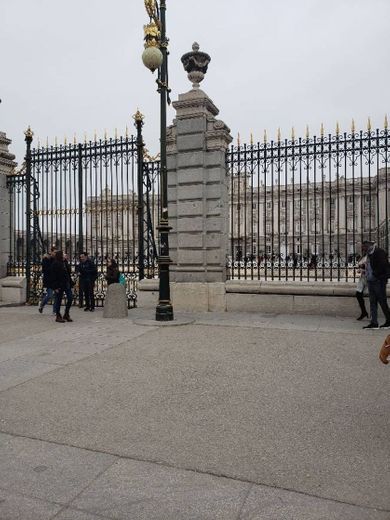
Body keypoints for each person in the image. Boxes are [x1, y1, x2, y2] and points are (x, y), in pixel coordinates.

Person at [362, 241, 390, 330]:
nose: (363, 249)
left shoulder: (379, 252)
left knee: (382, 302)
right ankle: (374, 322)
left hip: (379, 281)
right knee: (372, 302)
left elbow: (383, 266)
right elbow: (370, 266)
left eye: (364, 247)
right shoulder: (369, 254)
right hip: (371, 281)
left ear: (369, 246)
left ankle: (389, 321)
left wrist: (375, 274)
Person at [50, 250, 73, 323]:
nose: (65, 255)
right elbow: (53, 276)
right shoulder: (55, 264)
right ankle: (58, 315)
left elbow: (68, 272)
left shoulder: (64, 262)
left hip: (66, 284)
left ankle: (66, 313)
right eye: (63, 254)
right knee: (58, 300)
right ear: (60, 255)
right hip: (59, 285)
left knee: (70, 298)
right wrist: (55, 287)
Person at [38, 246, 56, 314]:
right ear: (51, 252)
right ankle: (42, 305)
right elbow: (44, 270)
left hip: (55, 280)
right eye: (54, 252)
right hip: (49, 280)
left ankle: (55, 311)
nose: (55, 254)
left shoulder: (56, 259)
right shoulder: (46, 259)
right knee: (50, 295)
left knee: (56, 295)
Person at [355, 251, 368, 321]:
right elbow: (362, 268)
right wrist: (360, 269)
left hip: (369, 279)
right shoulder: (363, 257)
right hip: (363, 278)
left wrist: (362, 267)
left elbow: (370, 267)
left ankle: (387, 313)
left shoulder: (369, 257)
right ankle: (364, 312)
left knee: (377, 297)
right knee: (358, 294)